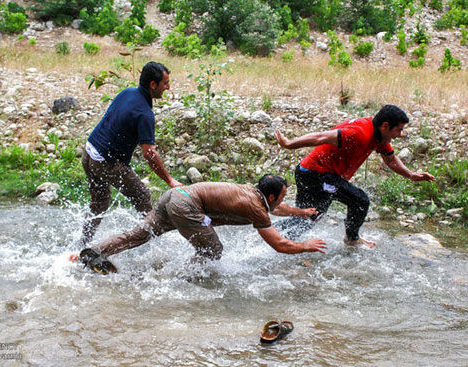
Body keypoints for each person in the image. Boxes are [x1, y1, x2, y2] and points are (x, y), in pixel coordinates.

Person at [80, 174, 327, 274]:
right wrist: (306, 245)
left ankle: (91, 253)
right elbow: (279, 244)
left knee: (137, 236)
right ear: (271, 196)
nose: (283, 201)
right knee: (213, 251)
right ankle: (173, 281)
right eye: (283, 196)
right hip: (186, 207)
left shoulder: (255, 195)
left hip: (175, 197)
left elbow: (276, 208)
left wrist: (301, 212)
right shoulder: (256, 207)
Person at [273, 104, 435, 248]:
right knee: (359, 200)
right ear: (385, 126)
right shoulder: (360, 133)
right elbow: (321, 137)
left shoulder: (379, 136)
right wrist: (289, 144)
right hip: (317, 174)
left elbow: (391, 159)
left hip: (310, 172)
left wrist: (412, 175)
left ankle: (271, 236)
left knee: (308, 217)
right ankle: (351, 239)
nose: (400, 134)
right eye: (398, 129)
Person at [79, 61, 183, 246]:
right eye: (165, 83)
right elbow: (149, 153)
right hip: (105, 162)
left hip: (89, 152)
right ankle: (153, 244)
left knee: (99, 203)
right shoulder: (144, 113)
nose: (168, 87)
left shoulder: (127, 92)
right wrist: (170, 180)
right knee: (142, 196)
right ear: (153, 84)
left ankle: (82, 244)